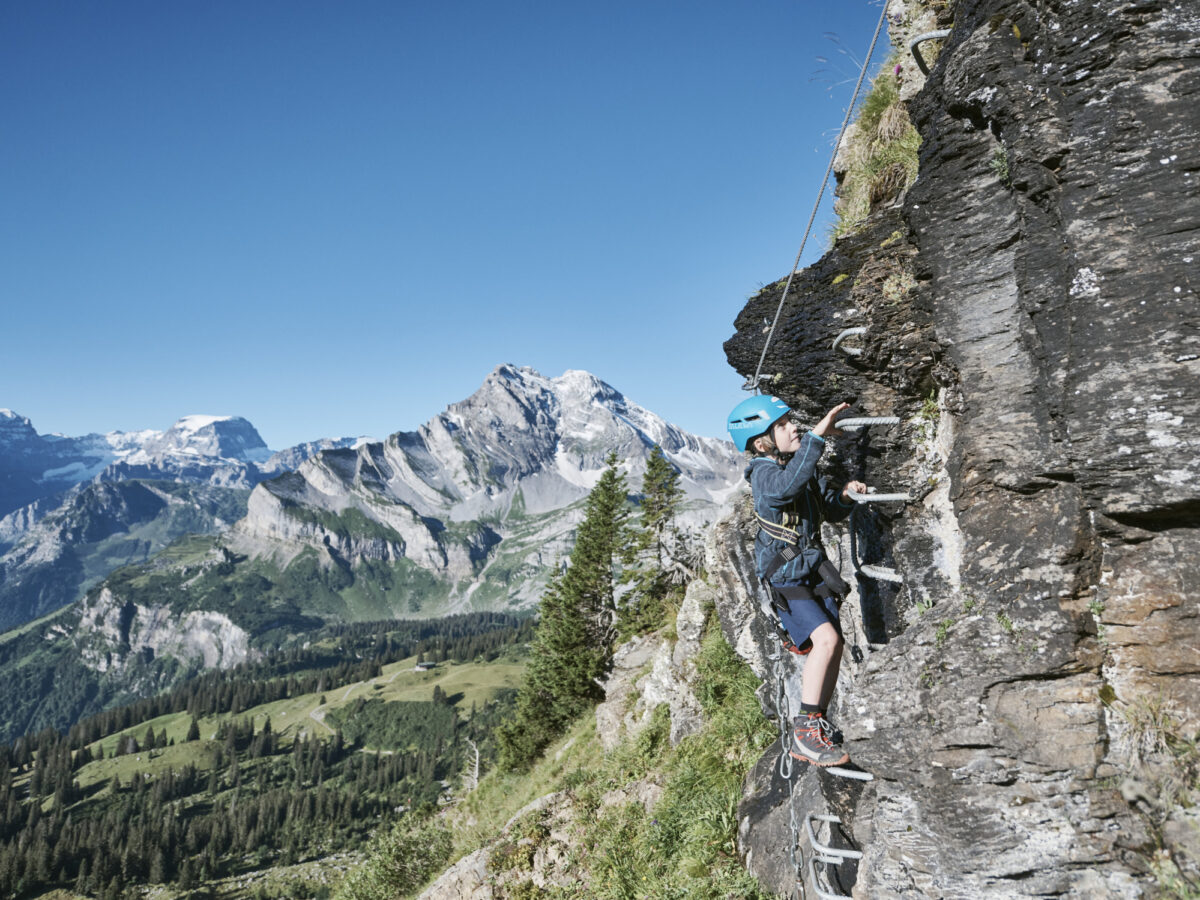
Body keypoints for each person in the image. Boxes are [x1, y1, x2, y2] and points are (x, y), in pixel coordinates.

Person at [727, 396, 866, 767]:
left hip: (810, 570)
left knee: (833, 644)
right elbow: (786, 488)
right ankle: (804, 732)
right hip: (785, 576)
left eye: (792, 421)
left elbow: (826, 510)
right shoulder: (763, 474)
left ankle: (816, 721)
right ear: (762, 444)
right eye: (783, 425)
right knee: (827, 640)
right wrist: (817, 438)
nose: (794, 428)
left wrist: (845, 496)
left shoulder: (799, 468)